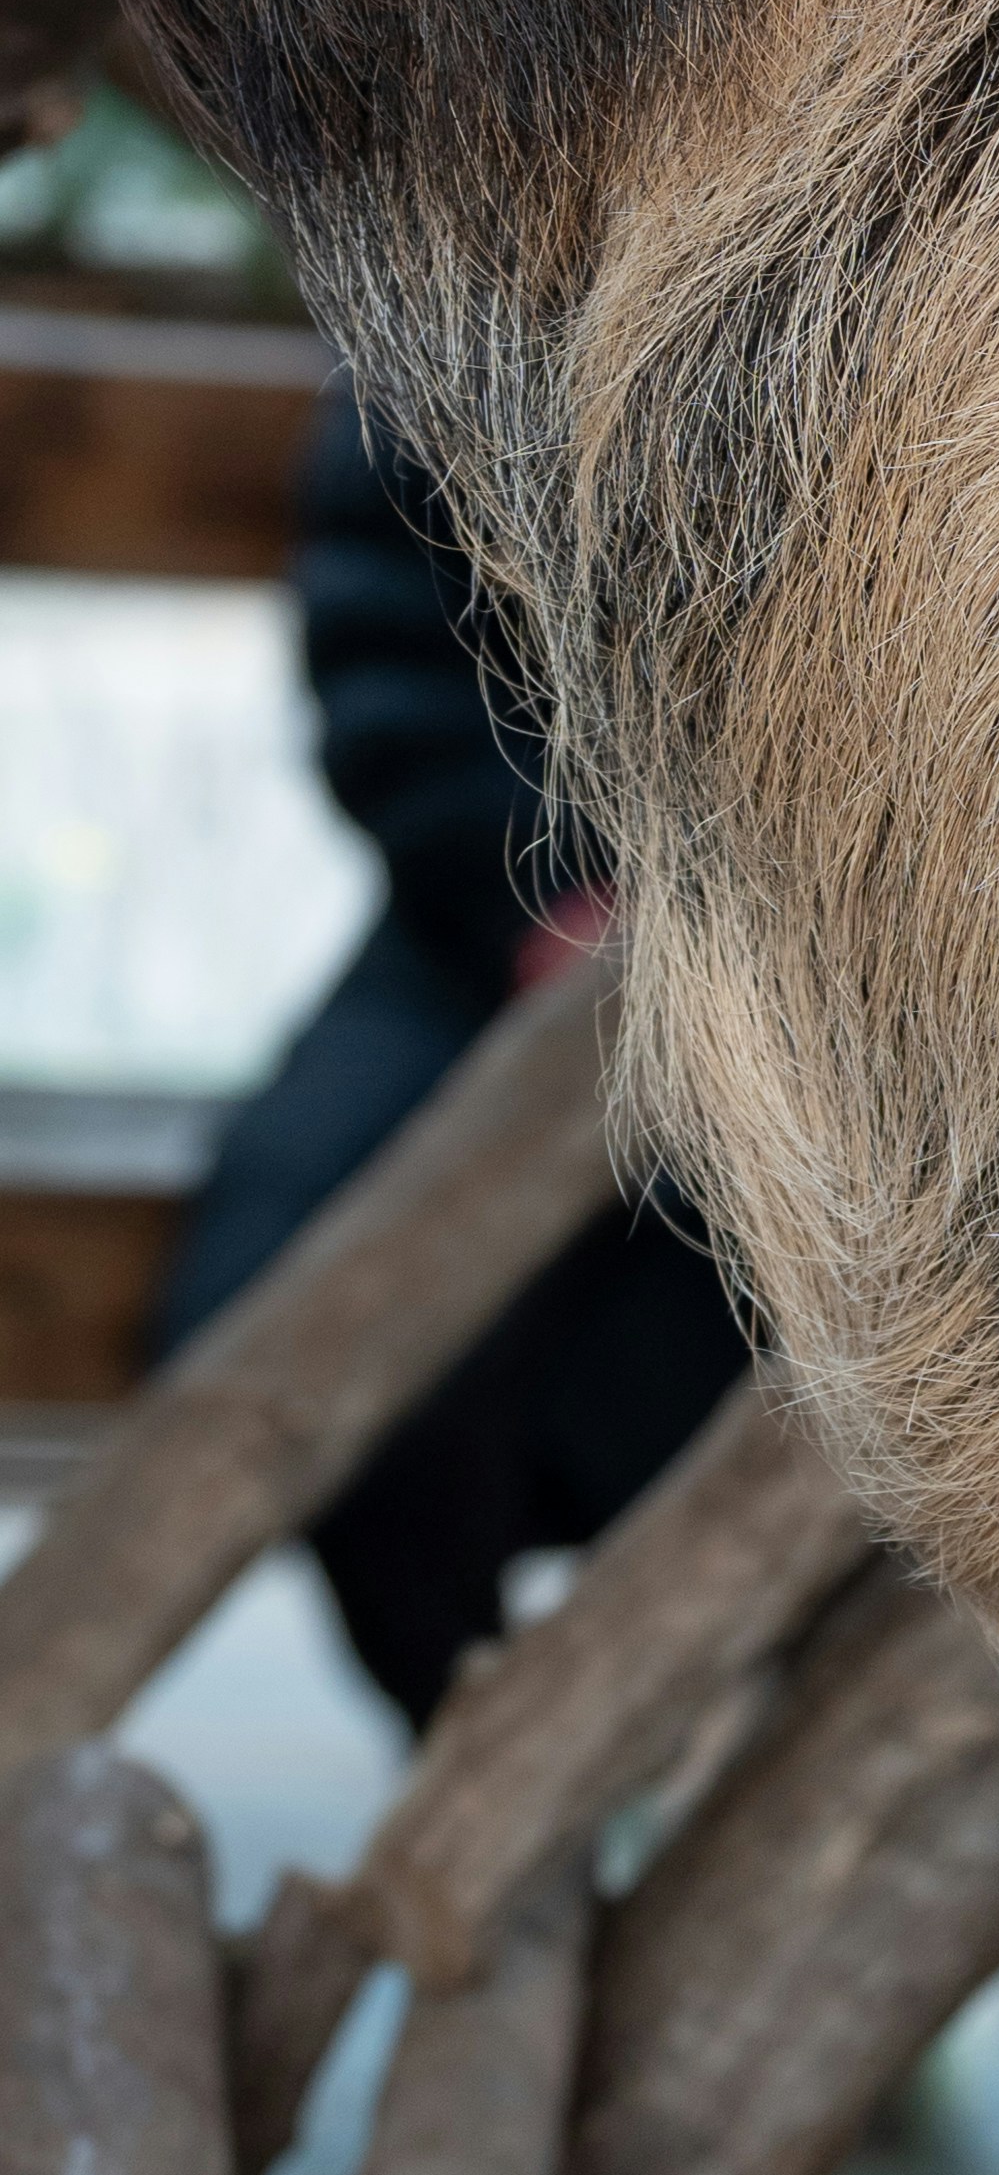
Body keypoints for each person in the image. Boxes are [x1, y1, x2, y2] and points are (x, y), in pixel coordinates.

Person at [150, 385, 748, 1724]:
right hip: (495, 911)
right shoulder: (462, 262)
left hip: (868, 983)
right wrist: (548, 898)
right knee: (294, 1295)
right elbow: (384, 647)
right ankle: (462, 1754)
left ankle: (667, 1751)